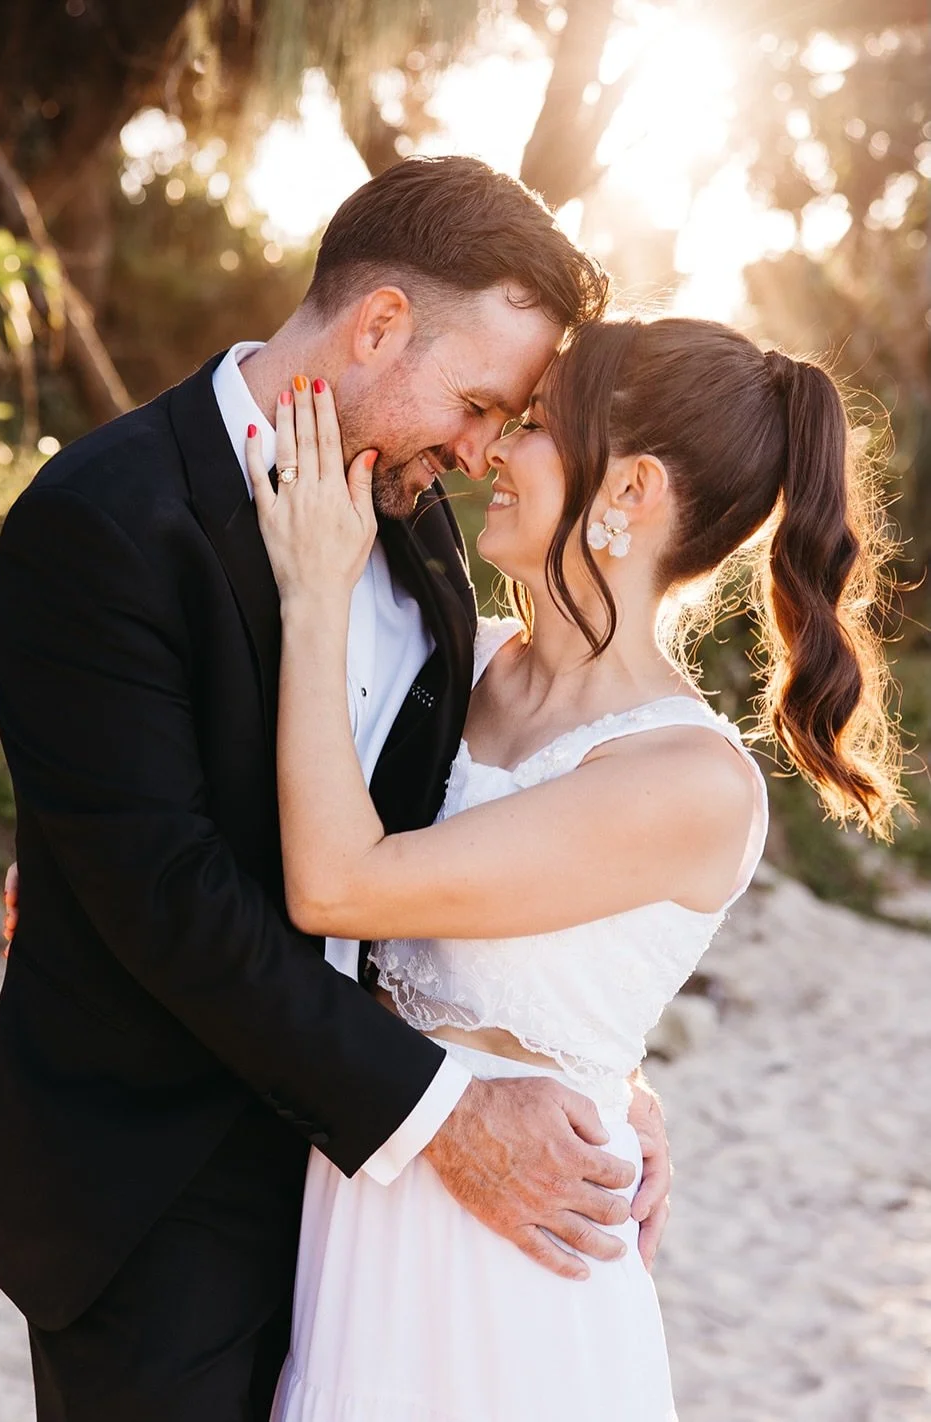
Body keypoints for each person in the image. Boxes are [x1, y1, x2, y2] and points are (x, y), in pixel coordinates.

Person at [0, 155, 674, 1422]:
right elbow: (168, 901)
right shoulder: (102, 519)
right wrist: (448, 1113)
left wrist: (589, 1063)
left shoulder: (412, 510)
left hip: (376, 1207)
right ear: (379, 325)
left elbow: (458, 828)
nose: (475, 451)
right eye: (473, 404)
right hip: (162, 1191)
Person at [244, 315, 905, 1421]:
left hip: (510, 1266)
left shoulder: (686, 780)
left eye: (537, 426)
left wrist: (313, 592)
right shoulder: (464, 658)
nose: (493, 449)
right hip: (359, 1216)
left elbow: (337, 884)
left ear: (629, 489)